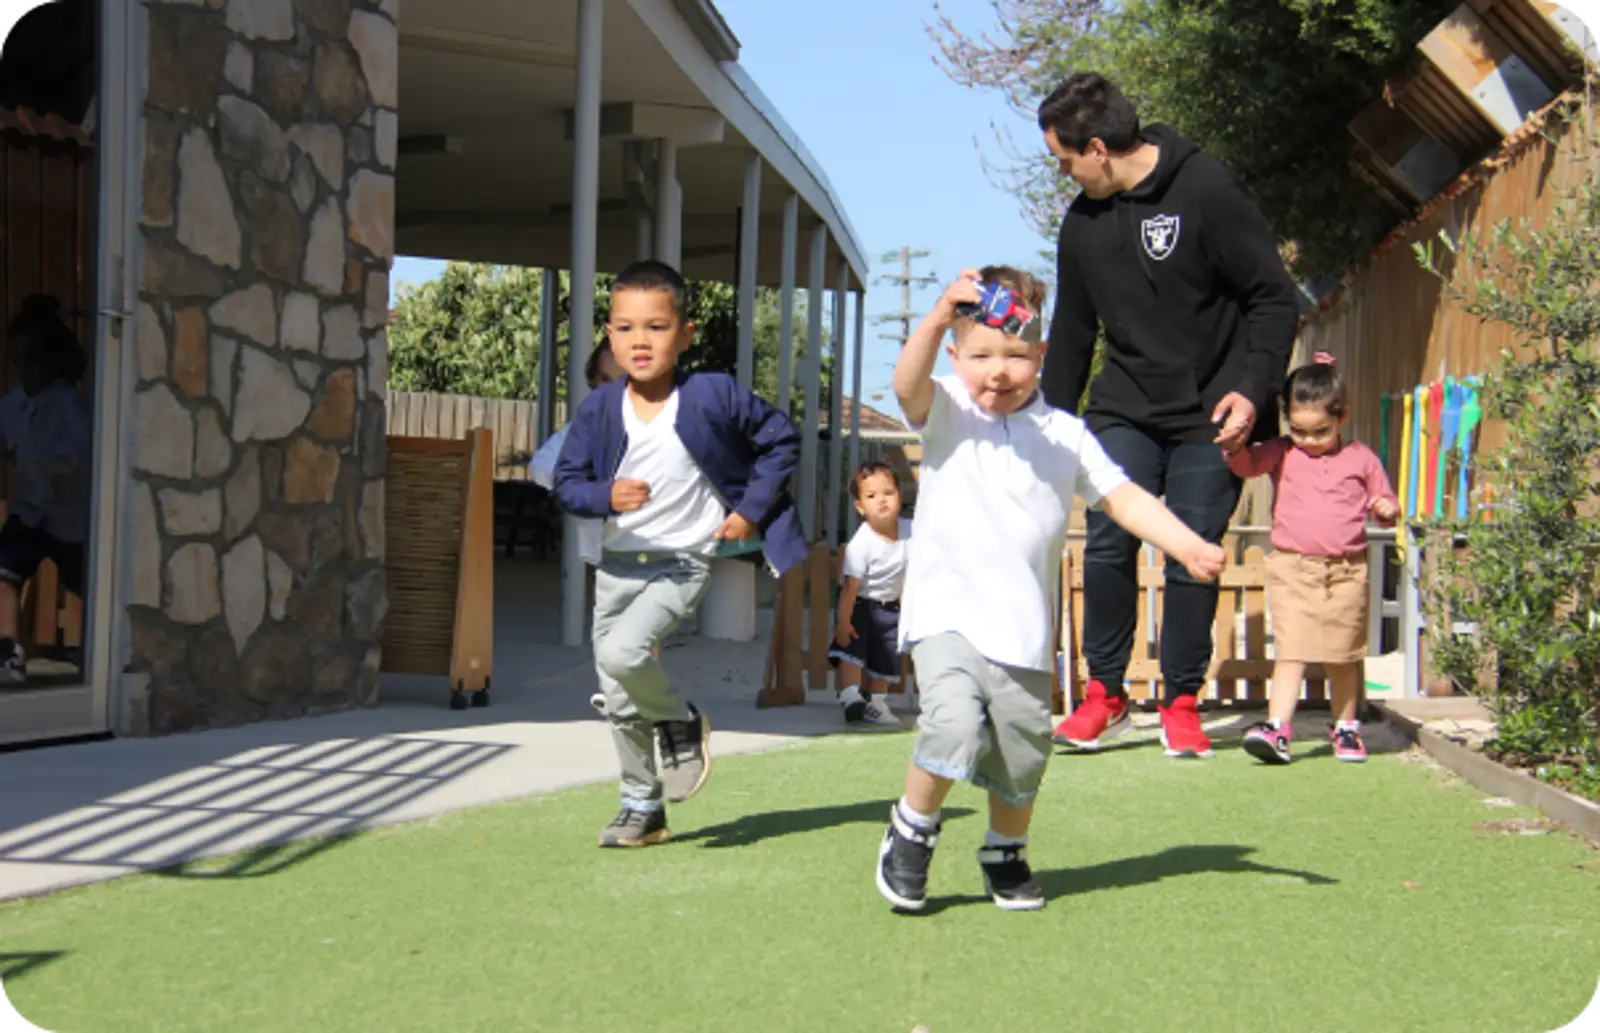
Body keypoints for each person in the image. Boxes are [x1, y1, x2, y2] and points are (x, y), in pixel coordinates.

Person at [874, 266, 1225, 913]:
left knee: (1022, 750)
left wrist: (1186, 543)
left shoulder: (1064, 435)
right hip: (946, 615)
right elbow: (906, 386)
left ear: (1040, 355)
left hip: (1022, 631)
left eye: (1014, 354)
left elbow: (1123, 497)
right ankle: (912, 829)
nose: (997, 371)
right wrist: (933, 317)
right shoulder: (948, 410)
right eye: (980, 355)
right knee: (951, 722)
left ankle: (1005, 852)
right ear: (955, 355)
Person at [1037, 72, 1300, 758]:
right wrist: (1046, 431)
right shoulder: (1082, 222)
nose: (1063, 171)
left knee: (1192, 555)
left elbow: (1274, 297)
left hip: (1213, 412)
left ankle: (1182, 698)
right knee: (1106, 542)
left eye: (1064, 158)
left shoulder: (1206, 188)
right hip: (1123, 405)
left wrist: (1251, 387)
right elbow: (1071, 333)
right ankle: (1105, 697)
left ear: (1097, 147)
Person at [552, 260, 806, 848]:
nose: (640, 341)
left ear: (685, 335)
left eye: (656, 327)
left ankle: (680, 720)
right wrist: (603, 495)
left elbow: (780, 440)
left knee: (623, 655)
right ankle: (643, 808)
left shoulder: (711, 393)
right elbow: (567, 482)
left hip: (683, 561)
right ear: (609, 336)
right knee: (618, 694)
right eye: (625, 328)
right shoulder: (598, 409)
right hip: (618, 564)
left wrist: (751, 508)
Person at [1225, 353, 1396, 764]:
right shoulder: (1284, 452)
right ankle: (1277, 728)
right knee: (1291, 652)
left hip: (1346, 571)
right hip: (1293, 567)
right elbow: (1248, 465)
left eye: (1319, 431)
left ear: (1342, 417)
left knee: (1343, 656)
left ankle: (1346, 728)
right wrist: (1235, 447)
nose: (1308, 440)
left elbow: (1384, 499)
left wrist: (1387, 508)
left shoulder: (1362, 459)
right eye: (1298, 430)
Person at [0, 295, 93, 685]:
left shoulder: (71, 405)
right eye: (17, 363)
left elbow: (79, 453)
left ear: (55, 359)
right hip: (29, 511)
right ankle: (6, 650)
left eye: (33, 361)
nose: (25, 372)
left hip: (70, 515)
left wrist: (33, 456)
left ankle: (95, 649)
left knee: (85, 582)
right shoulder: (10, 404)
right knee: (4, 570)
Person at [828, 461, 909, 727]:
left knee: (886, 655)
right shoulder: (861, 543)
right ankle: (851, 695)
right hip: (860, 605)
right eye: (872, 496)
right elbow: (850, 588)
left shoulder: (911, 531)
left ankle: (876, 701)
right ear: (861, 507)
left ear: (900, 496)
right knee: (851, 649)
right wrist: (843, 622)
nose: (882, 501)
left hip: (891, 609)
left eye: (888, 493)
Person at [529, 343, 626, 565]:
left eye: (624, 380)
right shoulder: (587, 427)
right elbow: (542, 466)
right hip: (608, 550)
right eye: (605, 380)